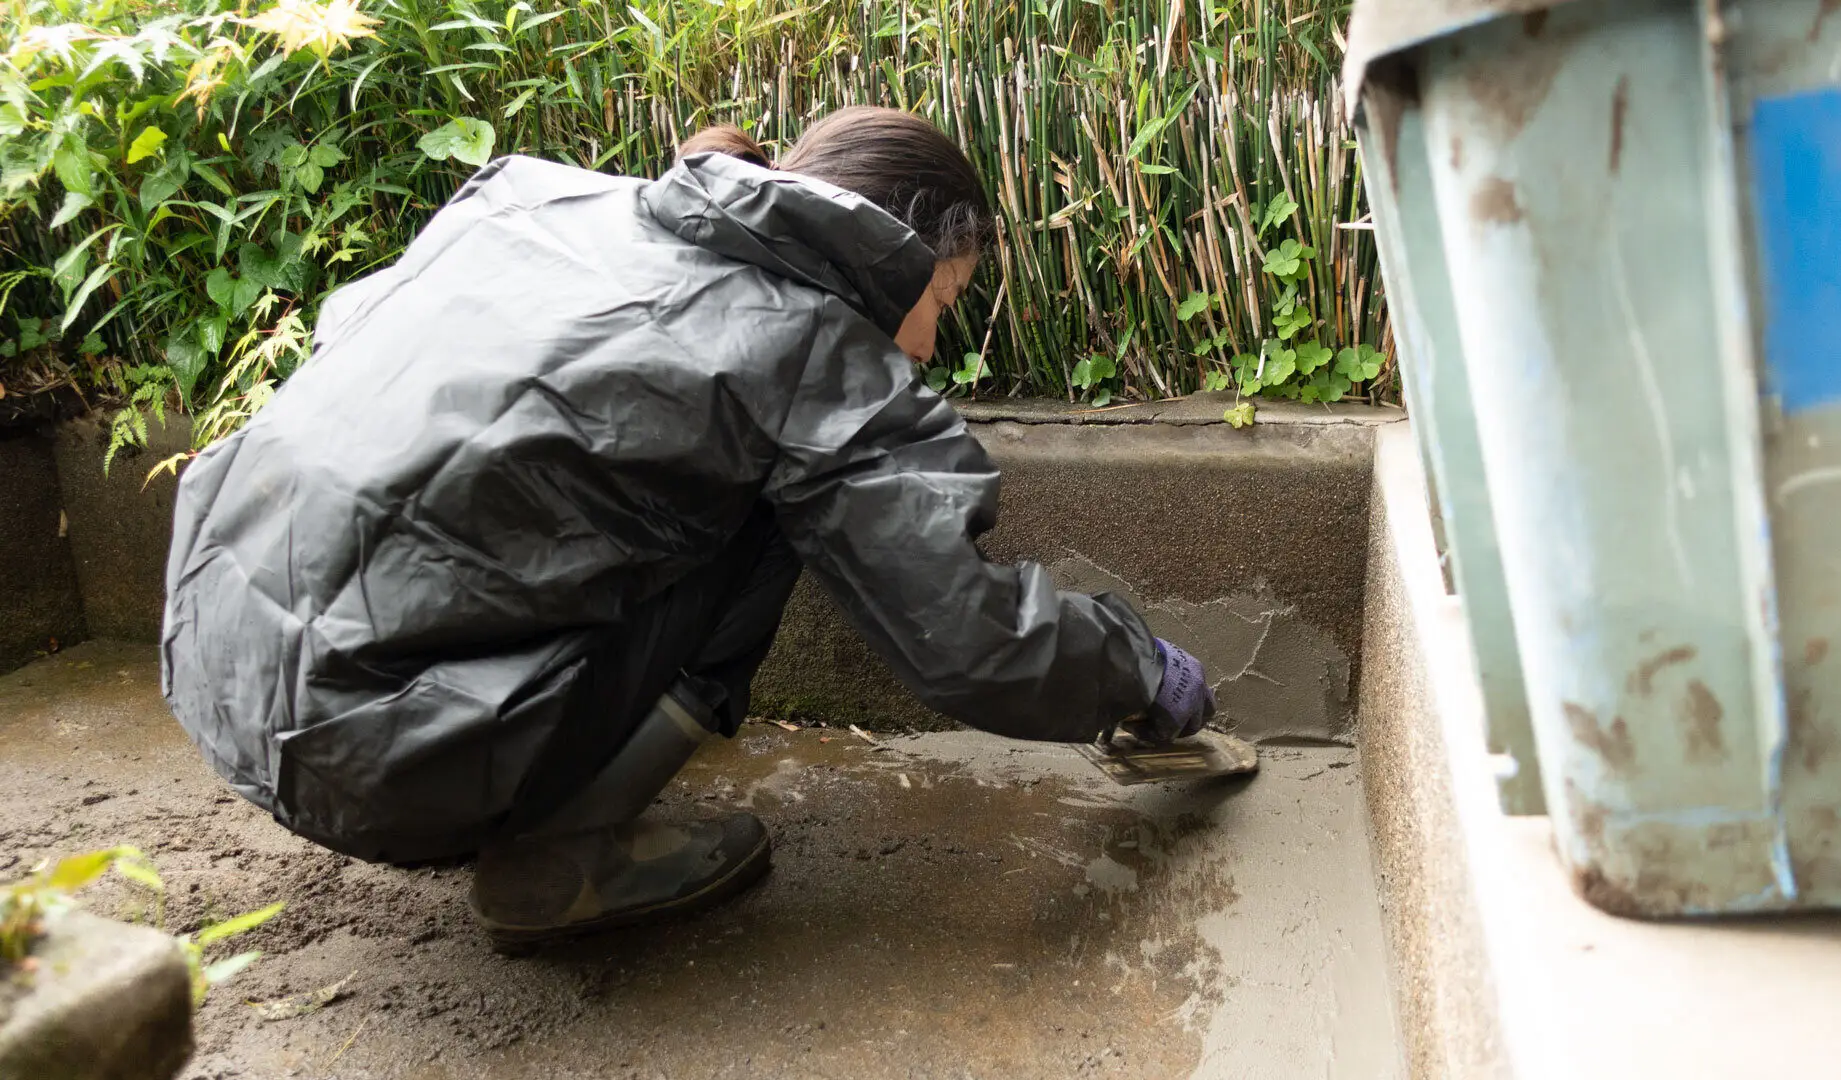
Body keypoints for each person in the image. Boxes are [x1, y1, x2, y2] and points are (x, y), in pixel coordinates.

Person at [161, 106, 1216, 949]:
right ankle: (563, 862)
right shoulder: (810, 350)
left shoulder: (547, 197)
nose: (933, 345)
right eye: (943, 300)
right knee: (773, 512)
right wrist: (1138, 668)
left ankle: (537, 777)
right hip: (369, 760)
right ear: (892, 256)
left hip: (216, 661)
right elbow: (965, 641)